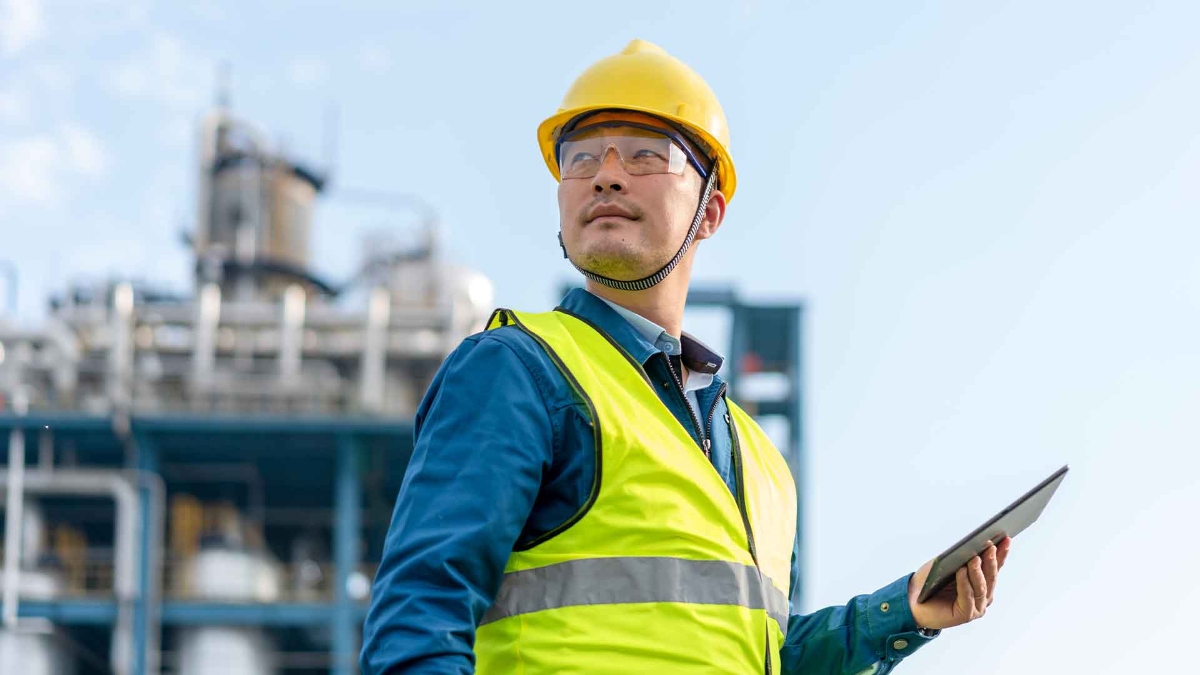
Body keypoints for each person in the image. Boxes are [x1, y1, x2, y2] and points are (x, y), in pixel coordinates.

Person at [360, 39, 1011, 675]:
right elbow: (418, 620)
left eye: (647, 155)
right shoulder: (519, 371)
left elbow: (761, 657)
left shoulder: (760, 464)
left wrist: (906, 610)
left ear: (710, 211)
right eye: (581, 158)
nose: (606, 173)